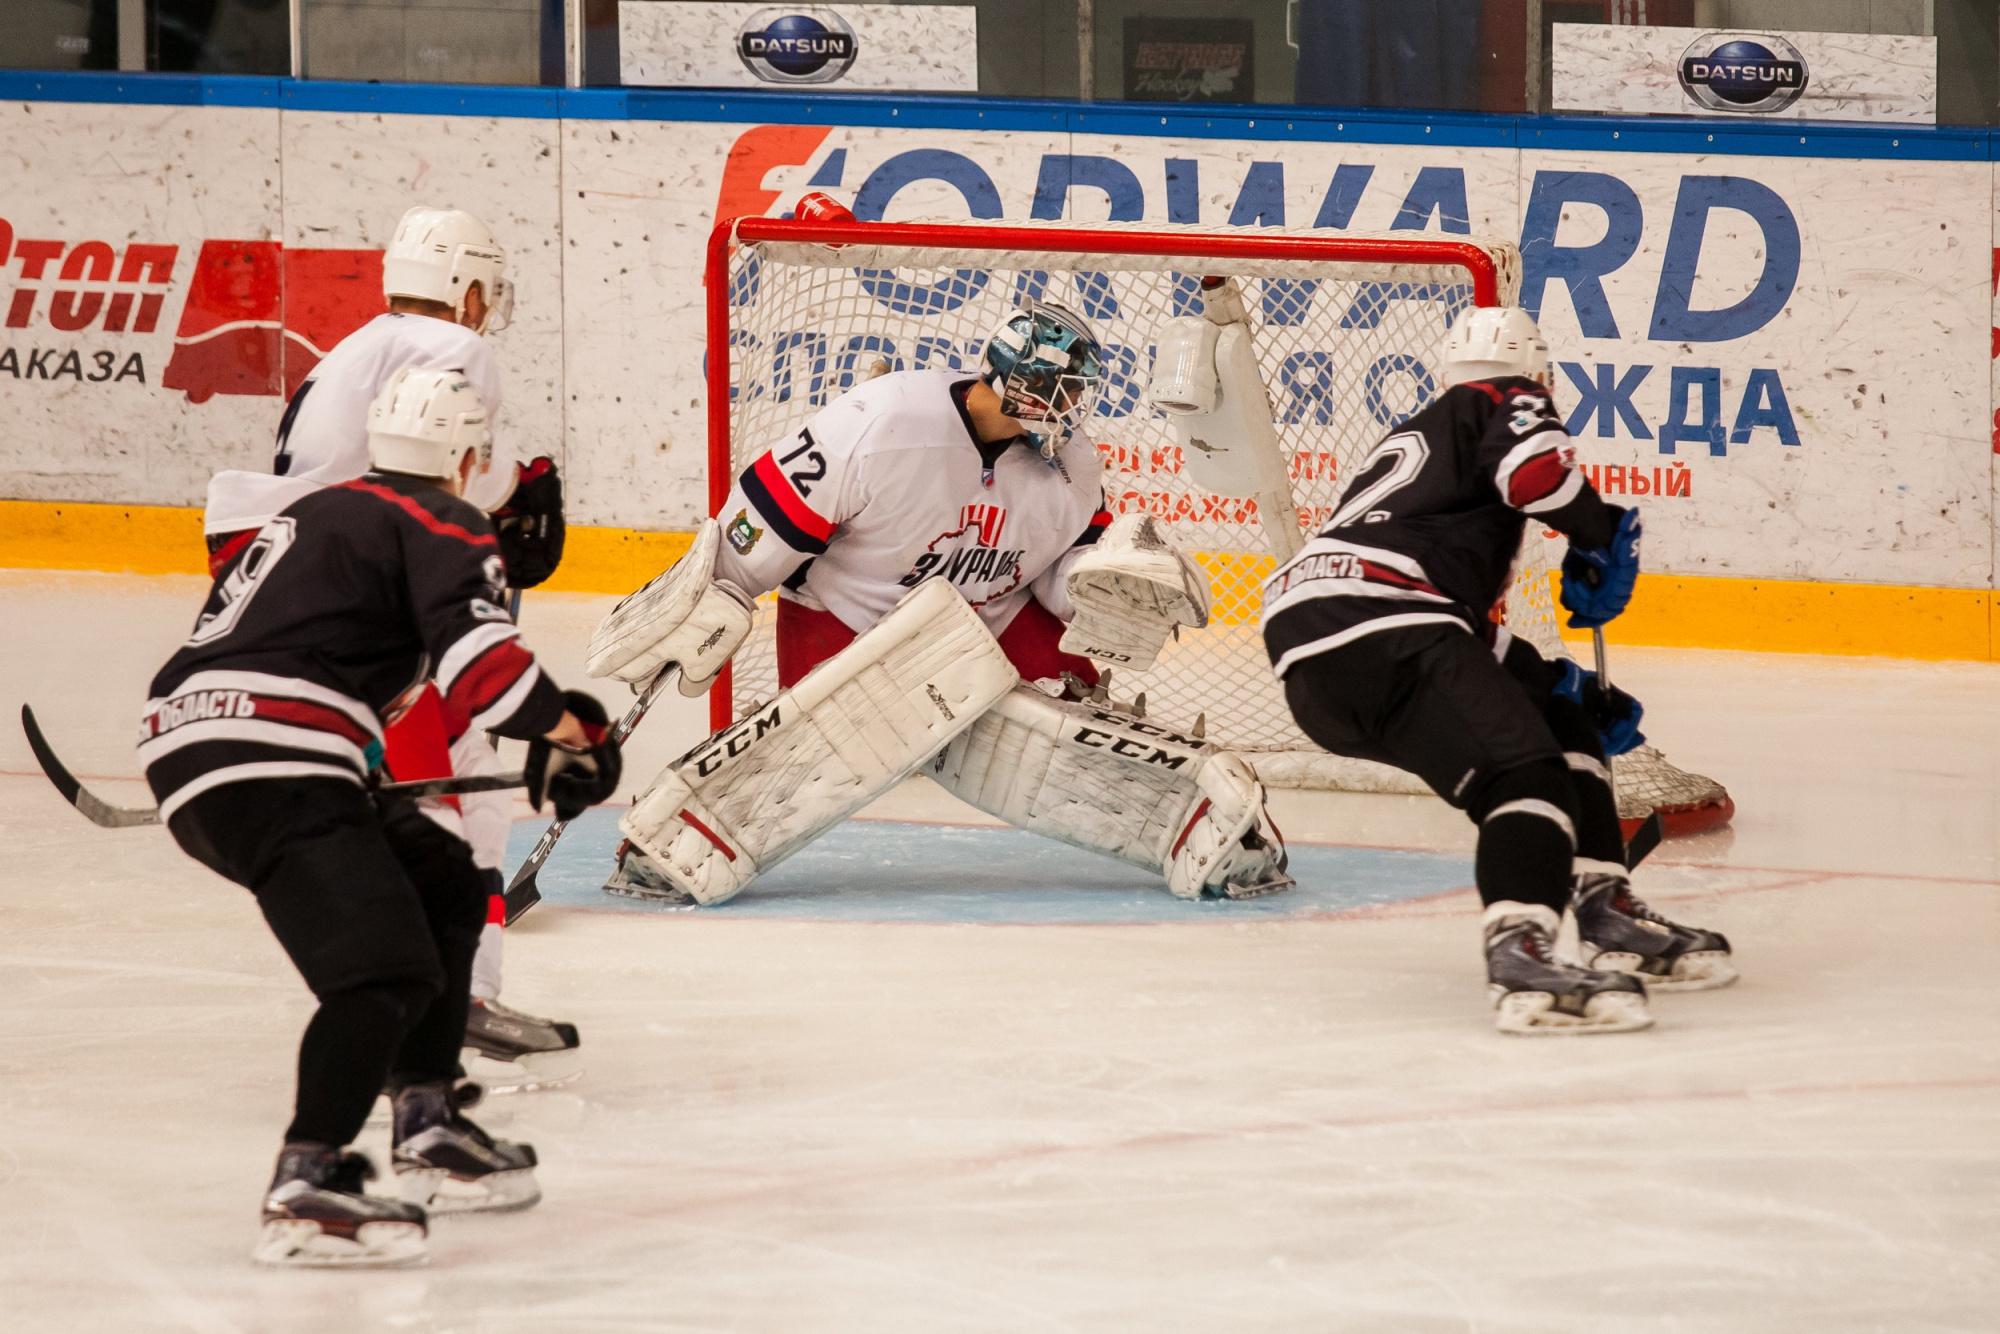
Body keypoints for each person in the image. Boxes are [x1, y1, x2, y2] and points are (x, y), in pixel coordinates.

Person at [141, 369, 621, 1266]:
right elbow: (483, 664)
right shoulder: (440, 520)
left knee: (440, 878)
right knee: (382, 972)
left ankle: (428, 1120)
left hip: (199, 740)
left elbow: (309, 645)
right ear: (470, 459)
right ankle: (306, 1183)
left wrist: (352, 762)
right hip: (270, 760)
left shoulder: (315, 512)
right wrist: (573, 732)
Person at [587, 299, 1292, 908]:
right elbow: (759, 529)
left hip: (991, 617)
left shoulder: (1072, 466)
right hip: (852, 621)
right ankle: (682, 834)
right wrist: (719, 590)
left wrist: (1103, 583)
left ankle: (1194, 818)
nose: (1075, 411)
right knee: (824, 741)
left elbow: (1058, 575)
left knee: (1063, 725)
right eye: (1066, 392)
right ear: (1027, 385)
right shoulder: (886, 420)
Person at [1261, 306, 1735, 1035]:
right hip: (1386, 621)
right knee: (1525, 776)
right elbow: (1537, 475)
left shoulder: (1418, 439)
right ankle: (1521, 954)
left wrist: (1557, 685)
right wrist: (1602, 534)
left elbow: (1439, 600)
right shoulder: (1503, 397)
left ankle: (1603, 907)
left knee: (1559, 717)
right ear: (1537, 374)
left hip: (1320, 652)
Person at [204, 205, 578, 1080]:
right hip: (371, 592)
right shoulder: (456, 351)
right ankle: (459, 997)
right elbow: (448, 476)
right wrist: (518, 484)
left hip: (276, 578)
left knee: (423, 786)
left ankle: (411, 975)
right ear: (470, 288)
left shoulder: (355, 348)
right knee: (462, 796)